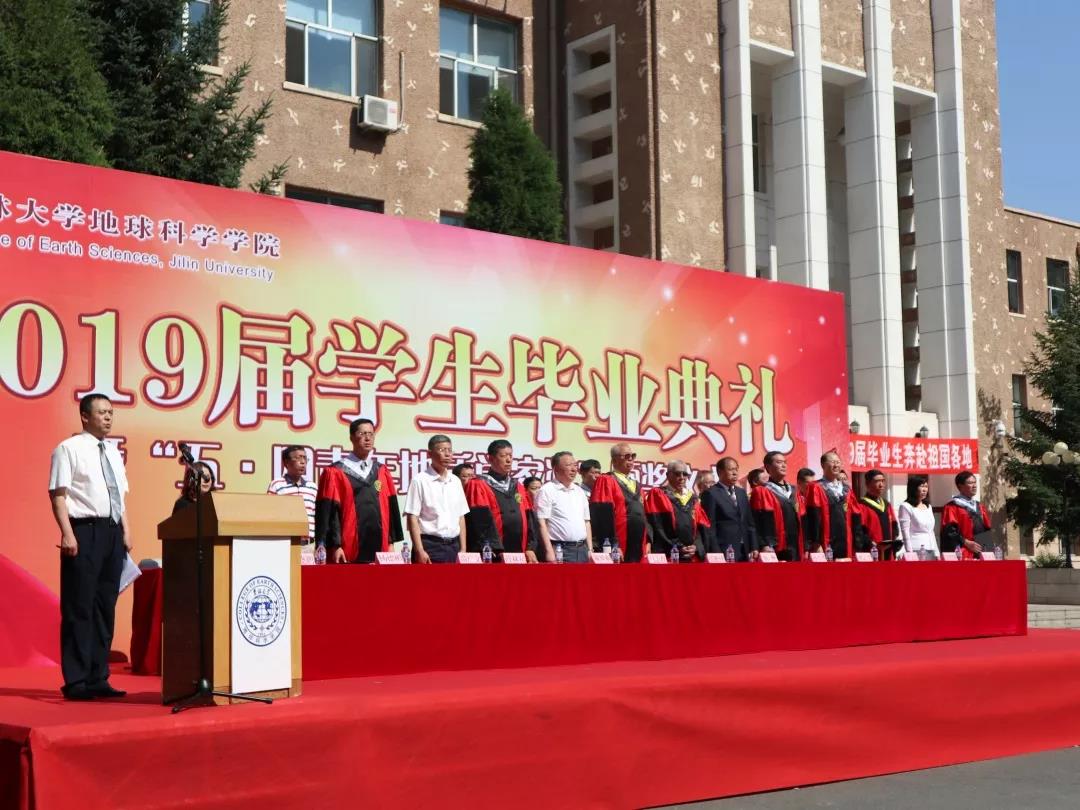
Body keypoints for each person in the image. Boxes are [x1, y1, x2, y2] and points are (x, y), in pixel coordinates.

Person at [49, 394, 131, 700]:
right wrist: (67, 533)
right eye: (102, 412)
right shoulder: (68, 449)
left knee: (104, 607)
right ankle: (77, 680)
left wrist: (126, 531)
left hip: (112, 533)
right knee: (79, 606)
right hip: (84, 531)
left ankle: (98, 677)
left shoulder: (113, 452)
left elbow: (120, 497)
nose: (108, 418)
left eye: (111, 412)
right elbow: (58, 495)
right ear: (85, 416)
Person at [314, 418, 403, 563]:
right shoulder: (335, 471)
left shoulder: (381, 471)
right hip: (347, 549)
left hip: (380, 550)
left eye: (371, 434)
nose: (368, 438)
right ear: (351, 437)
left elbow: (390, 508)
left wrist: (390, 543)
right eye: (362, 433)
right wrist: (335, 545)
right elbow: (328, 512)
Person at [464, 440, 541, 562]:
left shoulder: (518, 486)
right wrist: (492, 547)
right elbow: (479, 521)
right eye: (503, 456)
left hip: (519, 553)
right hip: (493, 553)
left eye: (510, 455)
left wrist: (530, 547)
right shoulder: (478, 484)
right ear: (491, 459)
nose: (509, 460)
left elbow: (529, 519)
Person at [403, 435, 470, 564]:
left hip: (454, 546)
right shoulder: (420, 480)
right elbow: (412, 517)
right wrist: (419, 550)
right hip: (430, 546)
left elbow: (461, 517)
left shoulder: (455, 481)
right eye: (442, 450)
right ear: (430, 454)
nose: (447, 454)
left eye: (449, 450)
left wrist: (463, 549)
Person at [589, 443, 650, 562]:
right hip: (619, 544)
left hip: (639, 544)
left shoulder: (636, 485)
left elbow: (645, 516)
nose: (631, 459)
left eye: (633, 456)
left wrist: (648, 541)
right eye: (627, 456)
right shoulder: (606, 480)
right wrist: (612, 544)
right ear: (615, 460)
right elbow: (602, 517)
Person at [645, 460, 710, 562]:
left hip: (691, 556)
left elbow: (701, 528)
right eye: (677, 474)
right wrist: (677, 547)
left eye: (685, 474)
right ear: (668, 475)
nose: (682, 477)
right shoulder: (658, 495)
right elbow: (658, 527)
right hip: (669, 555)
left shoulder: (693, 499)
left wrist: (696, 546)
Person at [803, 451, 861, 558]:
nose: (836, 465)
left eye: (838, 462)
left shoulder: (847, 490)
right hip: (825, 542)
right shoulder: (815, 487)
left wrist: (858, 543)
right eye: (832, 462)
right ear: (823, 465)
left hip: (846, 542)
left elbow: (856, 517)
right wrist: (816, 543)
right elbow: (813, 517)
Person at [534, 451, 589, 563]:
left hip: (582, 549)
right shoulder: (547, 490)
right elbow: (541, 523)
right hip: (560, 550)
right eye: (569, 465)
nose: (574, 469)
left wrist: (590, 549)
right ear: (556, 469)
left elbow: (586, 521)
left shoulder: (579, 491)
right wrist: (549, 551)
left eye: (575, 465)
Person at [700, 456, 755, 561]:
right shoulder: (711, 493)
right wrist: (716, 552)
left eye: (736, 469)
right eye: (731, 469)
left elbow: (749, 522)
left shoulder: (741, 493)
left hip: (745, 550)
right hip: (724, 549)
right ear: (720, 472)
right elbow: (709, 526)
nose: (735, 473)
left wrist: (754, 546)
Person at [749, 452, 802, 560]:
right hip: (774, 547)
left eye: (785, 462)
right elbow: (755, 522)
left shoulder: (794, 490)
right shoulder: (762, 491)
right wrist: (763, 544)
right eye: (779, 462)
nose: (783, 465)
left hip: (795, 545)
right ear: (768, 467)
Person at [267, 445, 317, 544]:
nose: (303, 462)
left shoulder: (313, 487)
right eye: (298, 458)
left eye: (305, 458)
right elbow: (270, 514)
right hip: (285, 542)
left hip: (309, 544)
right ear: (286, 463)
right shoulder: (277, 485)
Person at [941, 470, 992, 559]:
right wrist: (966, 542)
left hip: (979, 552)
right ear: (960, 486)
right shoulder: (952, 507)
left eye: (975, 482)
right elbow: (949, 532)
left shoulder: (979, 506)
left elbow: (986, 530)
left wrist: (986, 551)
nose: (974, 486)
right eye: (970, 483)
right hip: (962, 552)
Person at [856, 469, 902, 560]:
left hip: (888, 551)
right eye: (877, 481)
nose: (881, 484)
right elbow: (860, 530)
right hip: (872, 551)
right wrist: (871, 544)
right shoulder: (862, 505)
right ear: (867, 484)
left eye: (883, 481)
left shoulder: (887, 505)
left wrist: (892, 542)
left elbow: (894, 525)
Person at [898, 475, 938, 559]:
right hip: (916, 549)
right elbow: (905, 532)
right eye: (921, 486)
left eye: (926, 486)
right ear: (913, 488)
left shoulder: (928, 506)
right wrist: (910, 553)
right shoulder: (906, 506)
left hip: (931, 549)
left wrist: (937, 552)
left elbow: (931, 532)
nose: (924, 490)